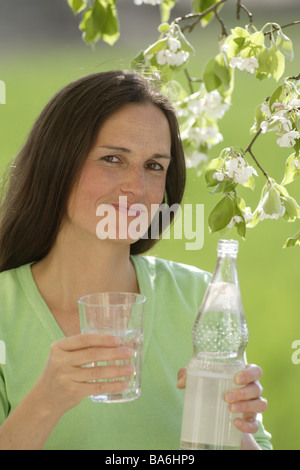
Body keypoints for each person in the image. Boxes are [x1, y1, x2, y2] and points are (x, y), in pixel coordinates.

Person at [0, 71, 270, 450]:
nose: (137, 188)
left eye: (154, 166)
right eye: (113, 158)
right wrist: (45, 402)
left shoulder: (199, 296)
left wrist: (235, 429)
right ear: (56, 163)